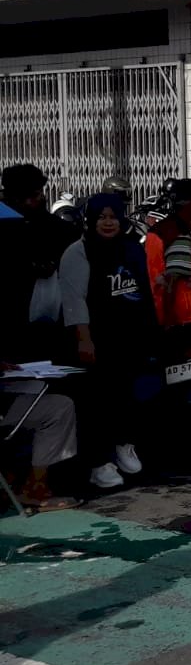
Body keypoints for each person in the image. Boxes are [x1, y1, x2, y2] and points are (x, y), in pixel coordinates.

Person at [58, 193, 158, 490]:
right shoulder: (78, 252)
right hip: (96, 339)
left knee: (129, 396)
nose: (108, 223)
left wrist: (150, 333)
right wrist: (84, 340)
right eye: (101, 217)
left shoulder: (131, 250)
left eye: (113, 217)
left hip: (128, 338)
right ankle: (98, 462)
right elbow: (73, 300)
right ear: (90, 220)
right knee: (97, 402)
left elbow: (143, 294)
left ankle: (124, 444)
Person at [0, 164, 83, 510]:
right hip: (16, 333)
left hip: (34, 339)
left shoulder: (43, 225)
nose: (38, 200)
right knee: (51, 405)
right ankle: (29, 484)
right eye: (31, 196)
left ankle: (31, 481)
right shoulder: (8, 226)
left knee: (52, 394)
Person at [146, 178, 191, 331]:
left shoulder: (160, 229)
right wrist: (175, 321)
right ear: (190, 204)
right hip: (178, 318)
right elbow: (174, 279)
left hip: (159, 311)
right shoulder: (179, 235)